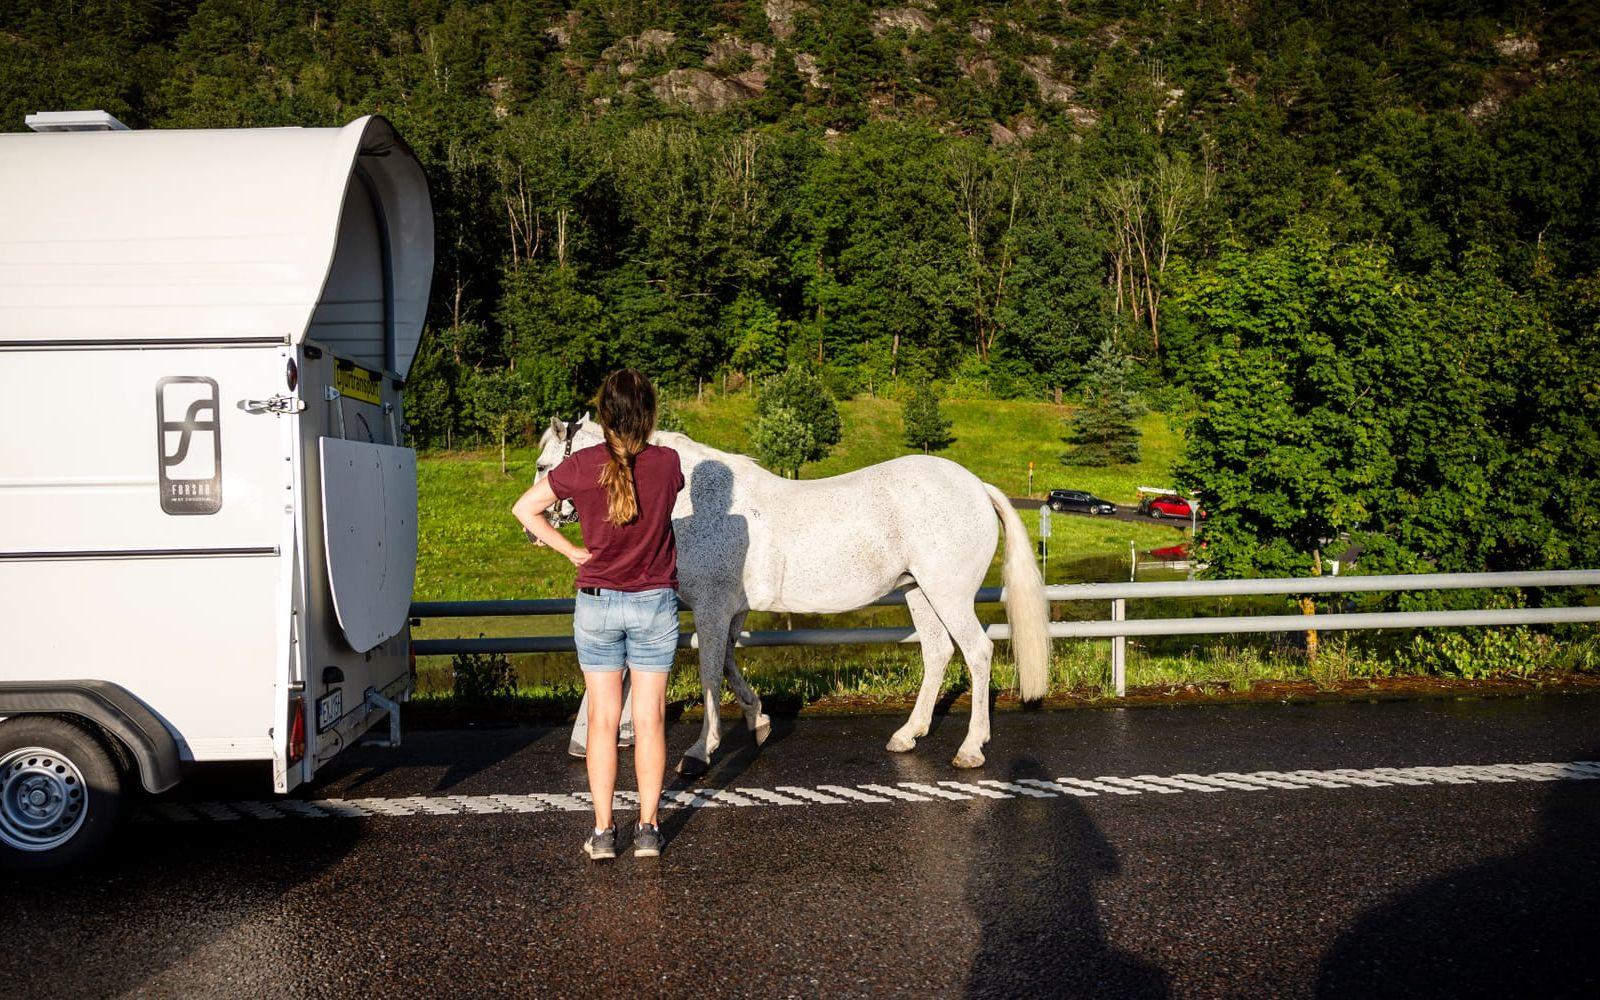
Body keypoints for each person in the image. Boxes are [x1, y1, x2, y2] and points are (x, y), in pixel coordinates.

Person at [511, 369, 685, 861]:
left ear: (603, 415)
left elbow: (526, 509)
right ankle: (649, 830)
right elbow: (655, 489)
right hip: (654, 602)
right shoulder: (669, 462)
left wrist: (571, 552)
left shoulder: (582, 464)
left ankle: (605, 832)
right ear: (649, 415)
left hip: (597, 602)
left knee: (603, 722)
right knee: (649, 720)